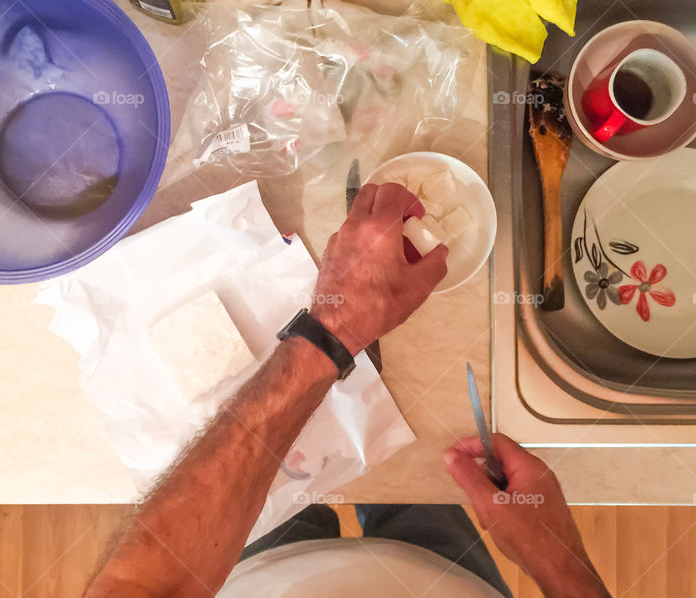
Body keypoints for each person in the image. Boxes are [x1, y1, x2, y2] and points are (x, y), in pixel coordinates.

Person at [83, 183, 612, 598]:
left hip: (262, 581)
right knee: (424, 493)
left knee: (288, 498)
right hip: (449, 584)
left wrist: (335, 330)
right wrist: (558, 562)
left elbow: (146, 584)